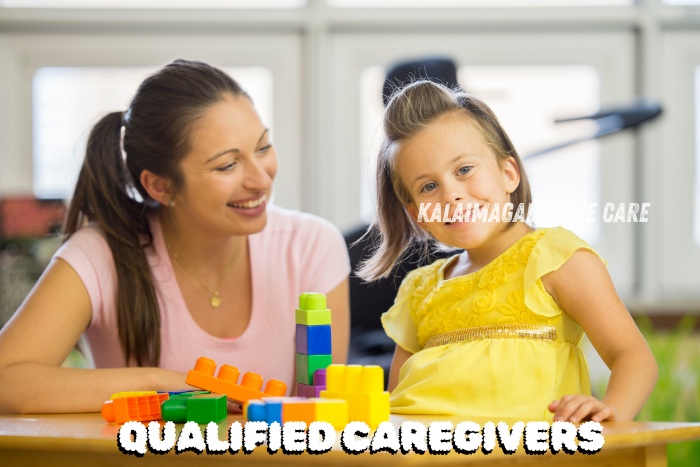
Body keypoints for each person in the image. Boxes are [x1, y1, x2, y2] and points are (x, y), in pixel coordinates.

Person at [0, 59, 350, 414]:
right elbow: (6, 381)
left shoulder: (311, 247)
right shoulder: (102, 254)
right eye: (228, 165)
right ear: (161, 186)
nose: (261, 179)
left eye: (262, 147)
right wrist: (162, 384)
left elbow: (322, 410)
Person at [357, 79, 657, 422]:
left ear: (508, 173)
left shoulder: (555, 257)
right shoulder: (418, 290)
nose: (451, 194)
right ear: (417, 214)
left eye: (464, 169)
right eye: (428, 186)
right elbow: (394, 409)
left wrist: (610, 415)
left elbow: (633, 357)